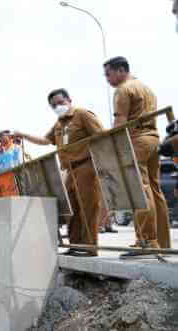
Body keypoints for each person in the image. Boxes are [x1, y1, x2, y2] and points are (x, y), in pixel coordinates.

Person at [15, 88, 104, 257]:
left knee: (88, 207)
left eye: (60, 102)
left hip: (86, 166)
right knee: (73, 210)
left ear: (69, 99)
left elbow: (101, 135)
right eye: (53, 105)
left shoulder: (83, 114)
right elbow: (45, 140)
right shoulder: (59, 123)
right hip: (69, 170)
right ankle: (76, 245)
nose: (57, 107)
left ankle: (90, 247)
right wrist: (23, 135)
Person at [104, 56, 171, 255]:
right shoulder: (145, 87)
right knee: (154, 188)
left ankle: (146, 241)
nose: (107, 79)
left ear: (121, 70)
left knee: (140, 188)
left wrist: (111, 147)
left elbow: (120, 123)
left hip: (136, 139)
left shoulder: (123, 89)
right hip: (153, 138)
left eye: (108, 74)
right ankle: (161, 241)